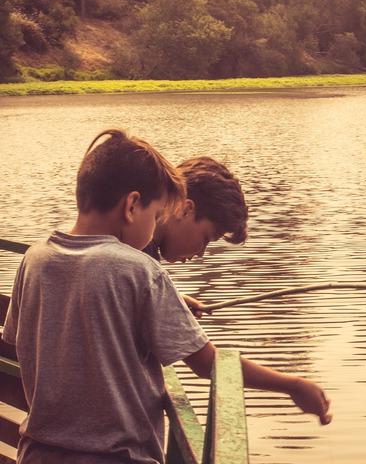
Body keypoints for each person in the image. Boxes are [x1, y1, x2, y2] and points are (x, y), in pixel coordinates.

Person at [2, 129, 331, 464]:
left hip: (37, 453)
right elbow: (205, 362)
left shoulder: (35, 257)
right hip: (117, 456)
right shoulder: (141, 271)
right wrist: (292, 384)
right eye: (156, 212)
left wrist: (153, 308)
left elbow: (21, 340)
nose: (158, 220)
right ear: (132, 205)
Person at [141, 156, 249, 317]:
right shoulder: (142, 262)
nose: (200, 253)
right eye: (205, 239)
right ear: (184, 210)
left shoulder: (137, 245)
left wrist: (167, 300)